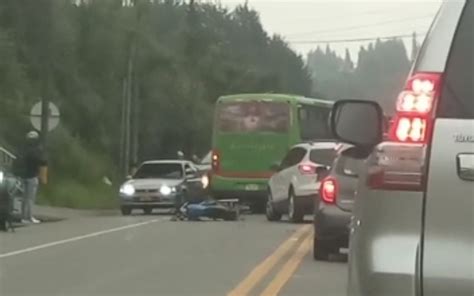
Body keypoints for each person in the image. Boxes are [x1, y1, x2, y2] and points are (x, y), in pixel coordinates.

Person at [15, 131, 48, 224]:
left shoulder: (23, 149)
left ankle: (23, 217)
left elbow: (18, 161)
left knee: (24, 198)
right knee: (30, 198)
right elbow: (42, 161)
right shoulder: (37, 150)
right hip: (32, 176)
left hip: (22, 176)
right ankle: (29, 217)